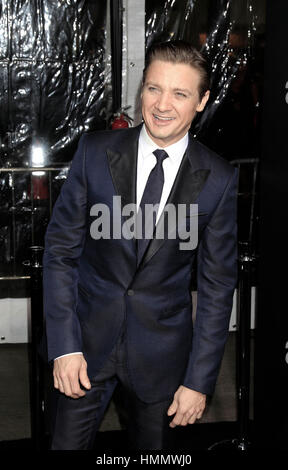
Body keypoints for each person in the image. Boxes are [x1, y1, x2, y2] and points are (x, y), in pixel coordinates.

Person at [43, 40, 238, 450]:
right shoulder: (94, 153)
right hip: (84, 350)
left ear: (202, 101)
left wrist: (198, 380)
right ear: (142, 89)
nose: (162, 105)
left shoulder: (218, 179)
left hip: (162, 360)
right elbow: (61, 253)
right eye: (153, 88)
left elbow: (218, 287)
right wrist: (64, 347)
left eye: (180, 93)